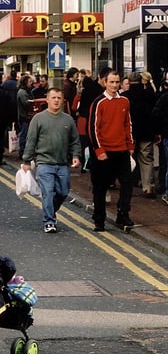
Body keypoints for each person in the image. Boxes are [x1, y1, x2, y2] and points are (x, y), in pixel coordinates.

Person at [22, 87, 81, 233]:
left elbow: (75, 140)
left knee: (63, 192)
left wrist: (75, 155)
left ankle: (50, 211)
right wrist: (27, 161)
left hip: (62, 163)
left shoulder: (68, 119)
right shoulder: (38, 118)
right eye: (53, 98)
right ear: (47, 99)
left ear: (62, 101)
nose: (56, 100)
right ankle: (49, 221)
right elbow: (31, 141)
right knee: (48, 192)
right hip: (44, 163)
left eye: (59, 98)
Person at [88, 69, 135, 232]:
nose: (114, 85)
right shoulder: (98, 102)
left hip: (122, 151)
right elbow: (93, 128)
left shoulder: (124, 101)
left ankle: (123, 215)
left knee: (127, 185)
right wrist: (99, 150)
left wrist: (130, 146)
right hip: (104, 152)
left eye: (117, 82)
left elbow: (127, 124)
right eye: (111, 82)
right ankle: (99, 220)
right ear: (105, 83)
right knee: (101, 187)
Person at [122, 72, 158, 198]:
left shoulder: (124, 96)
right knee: (146, 159)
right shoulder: (149, 95)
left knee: (128, 160)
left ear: (130, 82)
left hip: (130, 133)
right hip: (146, 132)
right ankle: (148, 187)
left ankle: (128, 185)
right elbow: (154, 113)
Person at [16, 74, 34, 160]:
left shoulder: (27, 91)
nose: (31, 83)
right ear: (25, 82)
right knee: (24, 135)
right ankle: (22, 152)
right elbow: (26, 104)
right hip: (24, 117)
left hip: (27, 117)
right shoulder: (22, 92)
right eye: (30, 81)